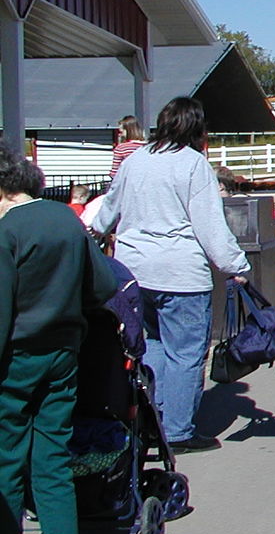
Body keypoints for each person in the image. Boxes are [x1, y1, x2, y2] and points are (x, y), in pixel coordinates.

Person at [92, 97, 249, 453]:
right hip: (180, 273)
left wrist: (97, 231)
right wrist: (236, 266)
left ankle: (152, 420)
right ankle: (178, 431)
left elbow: (108, 209)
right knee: (187, 353)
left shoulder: (135, 161)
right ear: (197, 127)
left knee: (151, 346)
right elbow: (210, 227)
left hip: (134, 271)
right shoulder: (194, 165)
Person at [0, 145, 116, 534]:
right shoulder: (66, 221)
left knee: (5, 469)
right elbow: (103, 286)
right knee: (52, 465)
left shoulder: (6, 231)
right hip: (64, 354)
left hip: (15, 361)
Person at [109, 115, 146, 179]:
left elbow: (114, 173)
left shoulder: (121, 148)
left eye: (121, 132)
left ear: (128, 131)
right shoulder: (149, 147)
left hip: (128, 183)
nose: (120, 134)